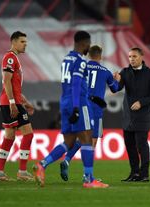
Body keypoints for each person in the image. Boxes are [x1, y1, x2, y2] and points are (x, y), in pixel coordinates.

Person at [33, 31, 108, 188]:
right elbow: (75, 84)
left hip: (65, 101)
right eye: (88, 44)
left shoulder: (66, 59)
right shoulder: (80, 61)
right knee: (87, 138)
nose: (88, 47)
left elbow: (71, 83)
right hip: (78, 103)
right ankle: (89, 179)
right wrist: (76, 107)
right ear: (83, 43)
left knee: (68, 141)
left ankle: (42, 164)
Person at [59, 45, 119, 181]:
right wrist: (117, 79)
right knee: (91, 142)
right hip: (95, 109)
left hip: (81, 106)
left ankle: (67, 159)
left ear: (89, 55)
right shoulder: (105, 71)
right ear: (101, 56)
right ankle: (87, 175)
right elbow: (115, 88)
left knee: (81, 138)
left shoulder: (82, 66)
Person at [113, 47, 150, 182]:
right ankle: (134, 173)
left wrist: (141, 102)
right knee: (130, 146)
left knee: (141, 145)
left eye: (134, 56)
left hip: (143, 116)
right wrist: (116, 80)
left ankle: (144, 174)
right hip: (128, 116)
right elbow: (117, 88)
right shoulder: (125, 72)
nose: (131, 59)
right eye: (129, 57)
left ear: (141, 57)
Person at [0, 31, 34, 181]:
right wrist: (12, 103)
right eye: (22, 41)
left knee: (10, 136)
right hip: (10, 102)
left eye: (26, 42)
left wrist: (26, 102)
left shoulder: (14, 58)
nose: (25, 44)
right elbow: (6, 81)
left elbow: (14, 86)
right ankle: (22, 172)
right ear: (14, 42)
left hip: (11, 101)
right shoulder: (10, 57)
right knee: (28, 134)